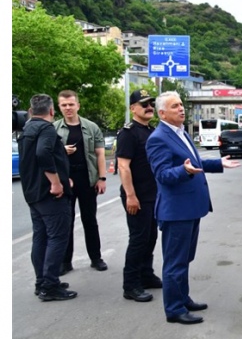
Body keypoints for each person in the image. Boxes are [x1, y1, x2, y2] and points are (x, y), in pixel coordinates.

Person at [146, 91, 242, 324]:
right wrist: (183, 171)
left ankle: (183, 298)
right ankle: (174, 309)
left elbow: (195, 163)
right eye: (175, 106)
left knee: (185, 258)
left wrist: (218, 162)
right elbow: (162, 174)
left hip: (190, 208)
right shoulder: (158, 138)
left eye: (181, 104)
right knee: (175, 262)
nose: (181, 109)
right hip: (176, 211)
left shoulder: (181, 133)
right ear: (162, 113)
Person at [18, 94, 77, 301]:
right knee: (58, 237)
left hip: (33, 194)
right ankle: (50, 286)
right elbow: (43, 154)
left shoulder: (26, 130)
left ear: (32, 110)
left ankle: (42, 281)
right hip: (49, 194)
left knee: (41, 238)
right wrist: (56, 182)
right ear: (52, 111)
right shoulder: (46, 129)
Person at [54, 90, 108, 274]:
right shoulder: (54, 129)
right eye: (64, 105)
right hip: (65, 181)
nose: (68, 108)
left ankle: (96, 258)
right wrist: (61, 150)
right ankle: (65, 261)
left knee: (90, 220)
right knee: (65, 222)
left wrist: (101, 178)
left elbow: (100, 154)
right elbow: (47, 155)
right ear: (59, 107)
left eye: (71, 104)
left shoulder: (91, 127)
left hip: (87, 179)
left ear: (78, 105)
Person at [116, 90, 163, 303]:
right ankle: (131, 284)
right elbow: (123, 167)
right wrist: (130, 196)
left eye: (151, 103)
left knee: (150, 237)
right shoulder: (129, 133)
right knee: (138, 239)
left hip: (152, 195)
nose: (149, 107)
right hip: (137, 196)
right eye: (143, 104)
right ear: (132, 108)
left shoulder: (151, 130)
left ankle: (146, 274)